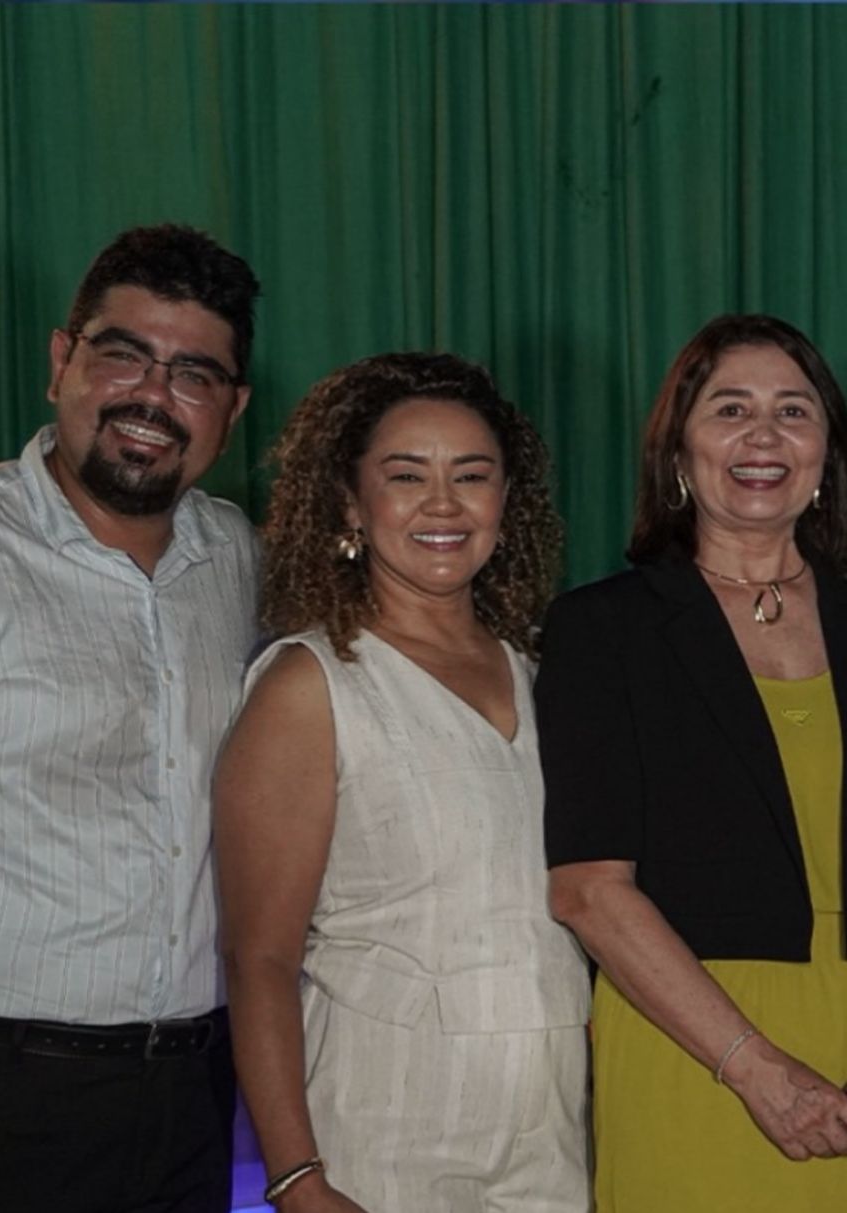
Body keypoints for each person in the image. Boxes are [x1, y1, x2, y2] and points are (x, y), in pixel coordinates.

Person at [538, 314, 847, 1213]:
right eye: (731, 408)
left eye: (794, 412)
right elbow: (587, 890)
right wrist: (755, 1069)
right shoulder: (603, 629)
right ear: (679, 451)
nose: (764, 436)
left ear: (826, 454)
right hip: (695, 1044)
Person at [0, 224, 261, 1212]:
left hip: (192, 1097)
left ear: (232, 409)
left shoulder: (239, 559)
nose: (154, 396)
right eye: (124, 353)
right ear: (61, 360)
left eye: (195, 372)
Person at [214, 352, 591, 1213]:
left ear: (507, 499)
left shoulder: (545, 671)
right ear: (351, 502)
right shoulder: (309, 684)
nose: (444, 504)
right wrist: (297, 1178)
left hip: (553, 1131)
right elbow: (258, 958)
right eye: (406, 475)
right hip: (378, 1134)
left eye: (472, 474)